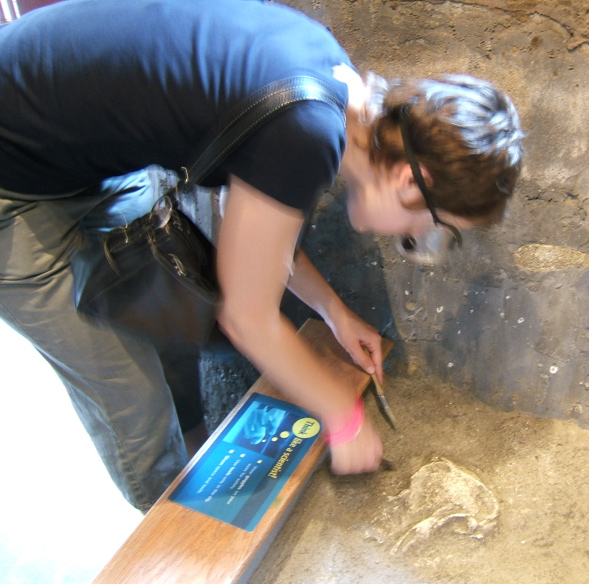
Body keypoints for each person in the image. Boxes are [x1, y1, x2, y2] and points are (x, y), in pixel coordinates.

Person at [0, 0, 524, 512]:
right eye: (432, 227)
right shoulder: (303, 134)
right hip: (13, 172)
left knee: (164, 314)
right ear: (412, 180)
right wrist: (341, 416)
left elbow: (249, 229)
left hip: (79, 152)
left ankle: (193, 474)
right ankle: (179, 544)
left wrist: (333, 314)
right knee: (132, 399)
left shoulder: (333, 87)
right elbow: (247, 318)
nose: (416, 236)